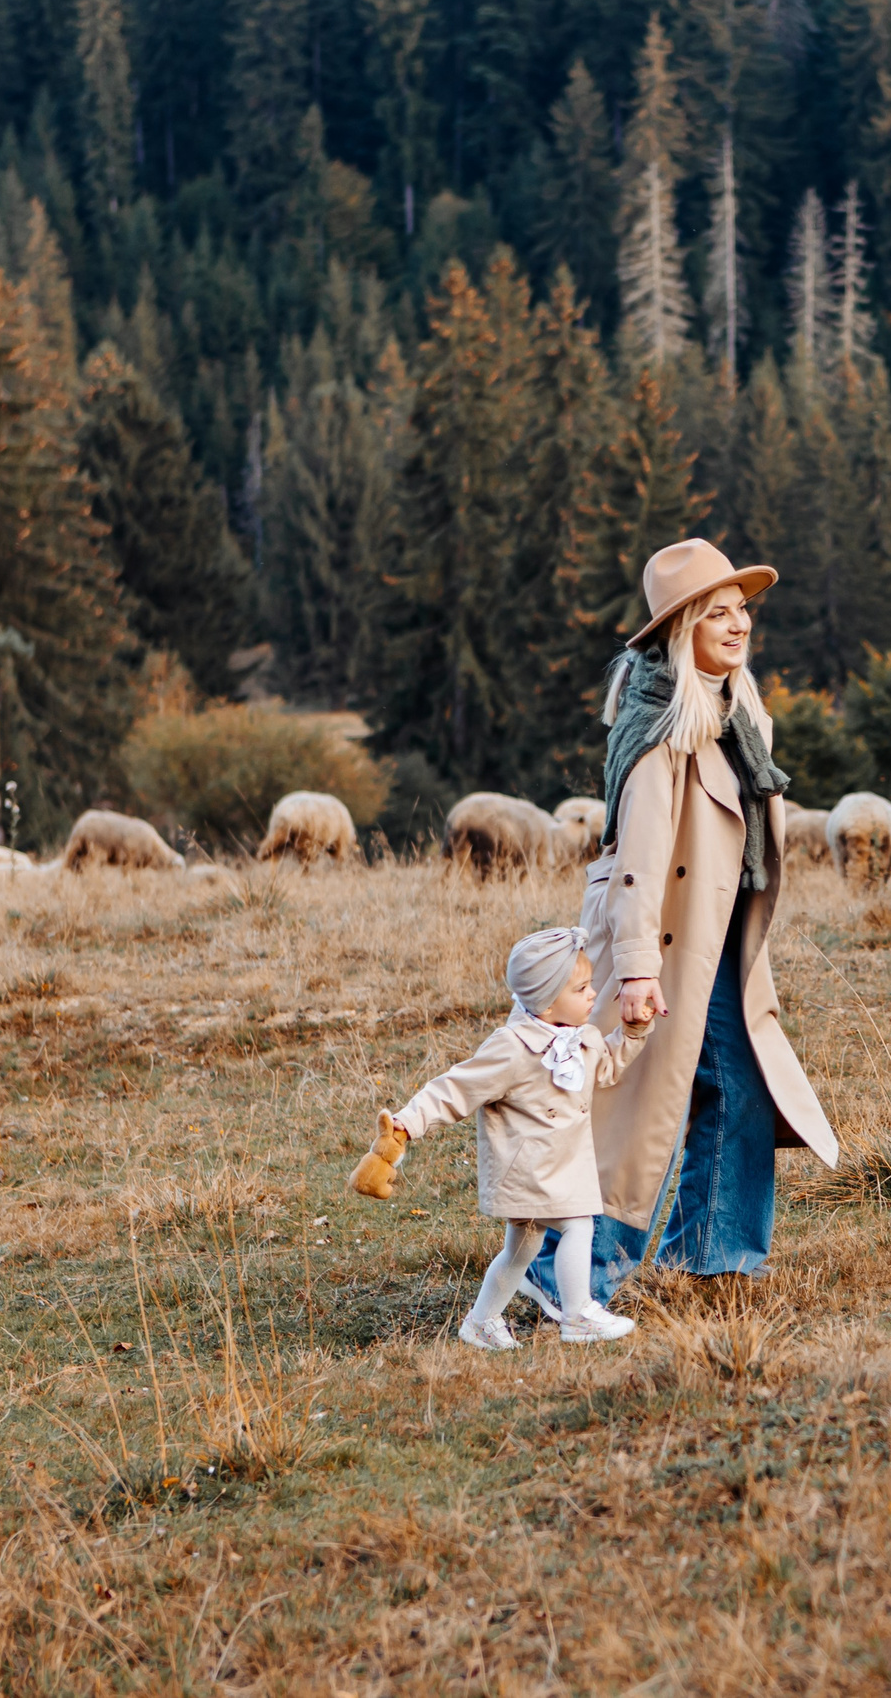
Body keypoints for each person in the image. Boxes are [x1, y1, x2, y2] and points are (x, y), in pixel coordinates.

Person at [530, 539, 839, 1317]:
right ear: (683, 626)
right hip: (663, 945)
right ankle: (567, 1276)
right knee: (631, 1112)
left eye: (742, 610)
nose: (738, 626)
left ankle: (714, 1257)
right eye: (718, 612)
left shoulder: (733, 711)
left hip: (717, 944)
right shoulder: (662, 722)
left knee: (738, 1088)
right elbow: (636, 860)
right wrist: (637, 968)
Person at [354, 927, 651, 1350]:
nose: (593, 994)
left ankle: (481, 1321)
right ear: (548, 1001)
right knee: (579, 1223)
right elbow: (455, 1088)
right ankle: (578, 1313)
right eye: (582, 988)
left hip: (561, 1164)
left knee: (521, 1250)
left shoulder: (580, 1039)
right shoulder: (512, 1048)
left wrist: (633, 1032)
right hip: (530, 1169)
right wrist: (405, 1125)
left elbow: (607, 1068)